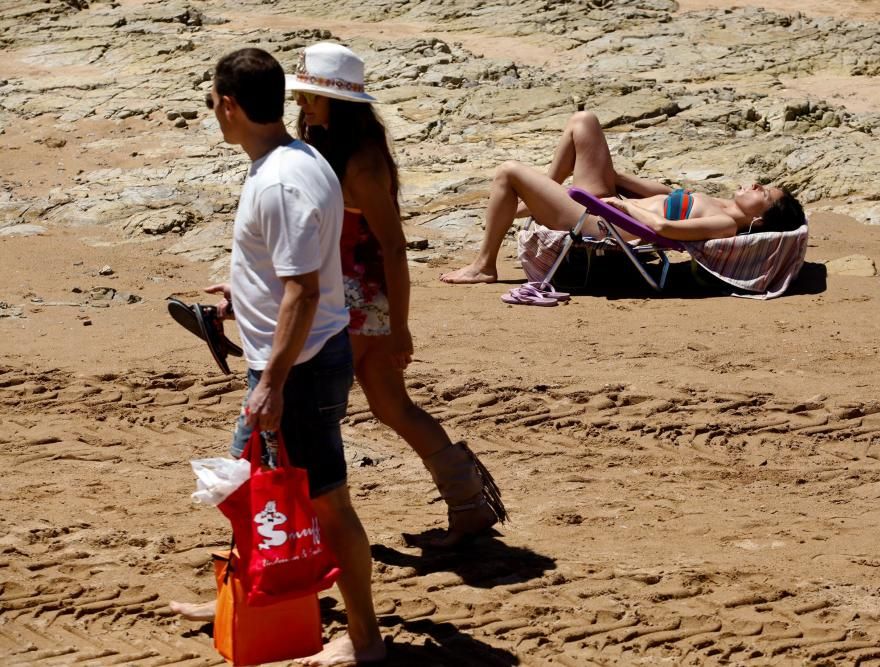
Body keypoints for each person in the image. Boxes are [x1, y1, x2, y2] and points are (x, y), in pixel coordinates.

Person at [170, 47, 385, 666]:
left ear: (230, 105)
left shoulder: (283, 179)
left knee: (328, 503)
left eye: (212, 102)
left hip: (299, 367)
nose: (213, 113)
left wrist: (273, 382)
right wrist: (246, 294)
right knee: (248, 484)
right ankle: (249, 595)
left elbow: (305, 288)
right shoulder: (292, 159)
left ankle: (366, 638)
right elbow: (295, 271)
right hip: (289, 355)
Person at [286, 42, 506, 546]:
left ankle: (312, 530)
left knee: (318, 411)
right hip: (353, 301)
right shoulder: (328, 148)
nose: (302, 106)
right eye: (301, 97)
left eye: (311, 98)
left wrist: (401, 325)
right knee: (391, 407)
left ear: (337, 103)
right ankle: (470, 507)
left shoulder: (361, 164)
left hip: (356, 305)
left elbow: (393, 246)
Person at [439, 111, 806, 284]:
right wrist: (609, 175)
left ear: (759, 220)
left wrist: (622, 206)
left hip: (606, 222)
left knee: (508, 170)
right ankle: (527, 200)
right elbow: (661, 194)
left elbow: (663, 226)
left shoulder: (726, 224)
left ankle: (484, 265)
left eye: (764, 194)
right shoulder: (719, 202)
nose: (756, 185)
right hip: (607, 204)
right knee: (585, 122)